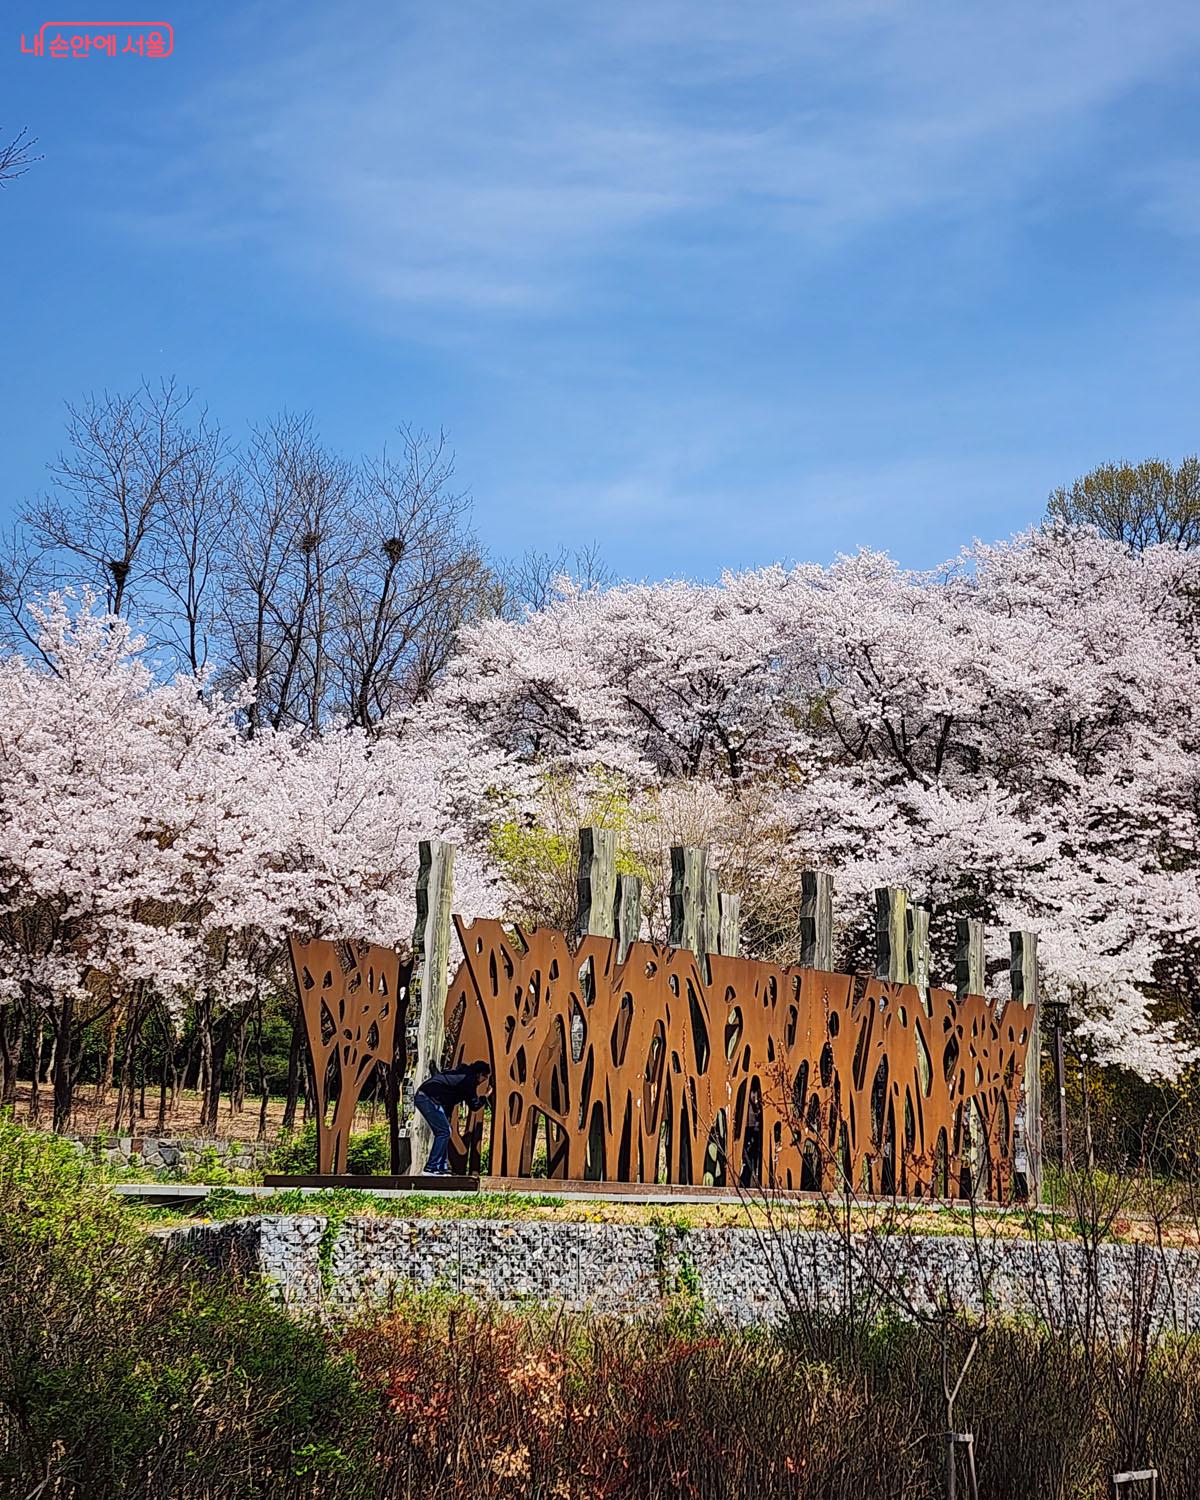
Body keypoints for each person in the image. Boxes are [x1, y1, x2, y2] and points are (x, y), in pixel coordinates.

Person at [413, 1061, 492, 1175]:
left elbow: (450, 1097)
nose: (485, 1080)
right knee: (444, 1132)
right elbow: (474, 1105)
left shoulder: (464, 1075)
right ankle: (431, 1167)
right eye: (485, 1077)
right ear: (479, 1074)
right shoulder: (468, 1080)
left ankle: (441, 1167)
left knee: (445, 1131)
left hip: (430, 1098)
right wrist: (486, 1095)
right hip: (427, 1098)